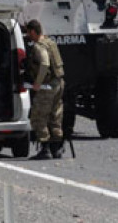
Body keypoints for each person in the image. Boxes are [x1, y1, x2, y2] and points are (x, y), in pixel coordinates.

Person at [25, 20, 66, 160]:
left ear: (33, 32)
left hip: (47, 86)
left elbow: (44, 63)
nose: (28, 36)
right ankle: (57, 148)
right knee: (55, 115)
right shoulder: (51, 43)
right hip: (59, 83)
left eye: (28, 33)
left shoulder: (39, 46)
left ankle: (45, 149)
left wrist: (37, 83)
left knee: (39, 116)